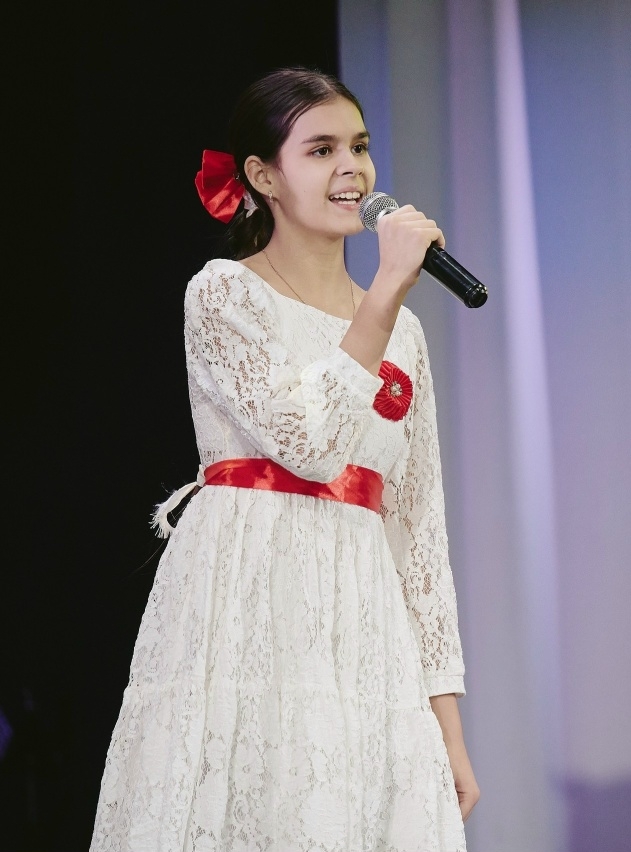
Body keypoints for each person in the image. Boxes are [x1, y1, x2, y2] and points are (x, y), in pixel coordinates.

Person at [90, 68, 477, 851]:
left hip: (362, 623)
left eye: (359, 147)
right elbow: (307, 445)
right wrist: (386, 292)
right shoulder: (225, 296)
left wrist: (448, 726)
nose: (352, 170)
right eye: (321, 150)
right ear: (263, 177)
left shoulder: (403, 333)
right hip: (248, 611)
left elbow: (420, 536)